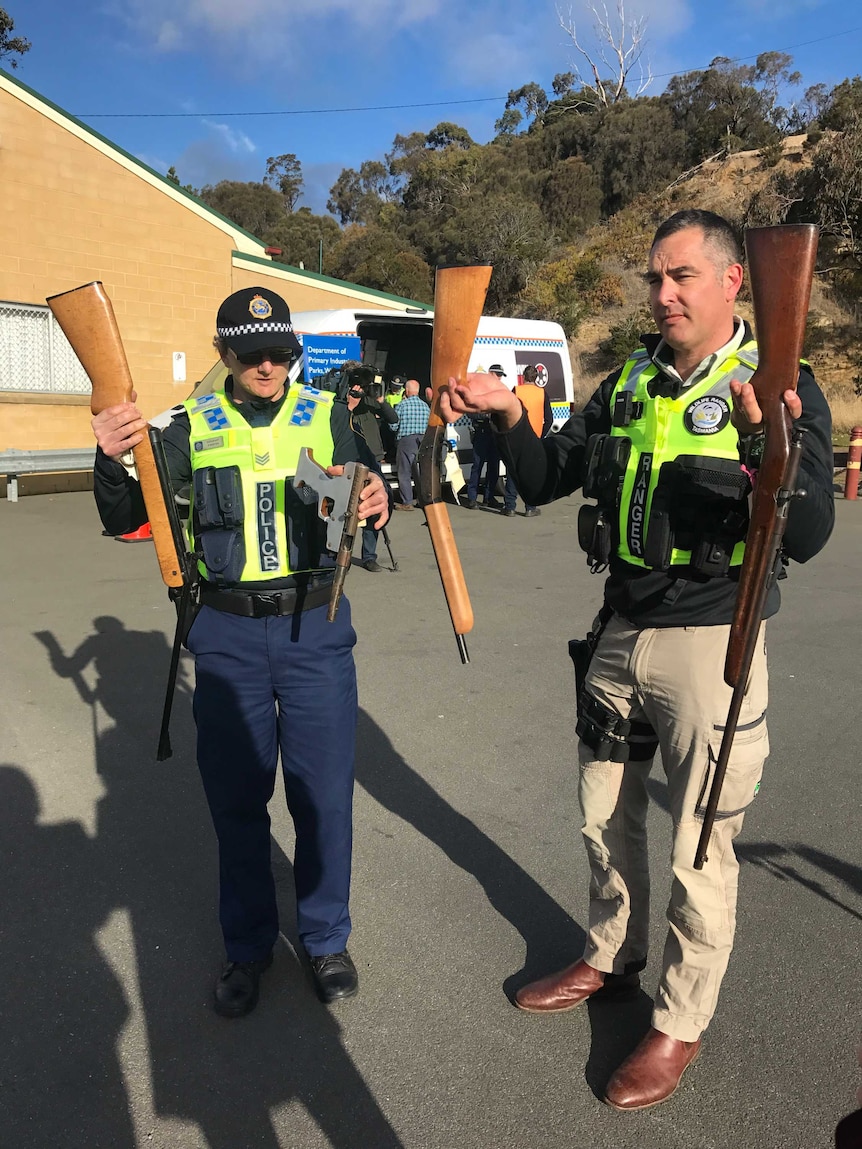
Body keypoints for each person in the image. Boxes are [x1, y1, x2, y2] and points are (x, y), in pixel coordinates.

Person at [440, 210, 834, 1109]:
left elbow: (808, 531)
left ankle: (679, 1021)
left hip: (712, 643)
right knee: (604, 817)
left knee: (702, 840)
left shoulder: (780, 381)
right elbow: (544, 480)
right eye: (655, 279)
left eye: (681, 277)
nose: (661, 295)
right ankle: (612, 955)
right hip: (619, 629)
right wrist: (509, 417)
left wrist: (761, 439)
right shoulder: (627, 385)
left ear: (734, 282)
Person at [90, 285, 391, 1019]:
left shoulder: (328, 415)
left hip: (315, 626)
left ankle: (324, 938)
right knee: (236, 803)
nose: (267, 364)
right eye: (251, 352)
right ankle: (249, 944)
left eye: (280, 351)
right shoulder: (188, 425)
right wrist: (109, 458)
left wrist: (374, 499)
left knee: (323, 797)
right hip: (223, 634)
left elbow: (366, 510)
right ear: (223, 353)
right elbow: (126, 513)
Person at [341, 366, 399, 572]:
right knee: (345, 510)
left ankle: (369, 556)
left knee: (374, 508)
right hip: (348, 461)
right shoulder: (340, 402)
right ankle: (342, 556)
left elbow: (393, 419)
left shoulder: (370, 400)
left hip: (372, 460)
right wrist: (348, 404)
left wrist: (380, 400)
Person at [501, 365, 553, 518]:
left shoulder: (516, 390)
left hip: (517, 435)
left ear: (523, 377)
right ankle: (530, 507)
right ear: (536, 378)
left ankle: (510, 506)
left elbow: (507, 412)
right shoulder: (543, 393)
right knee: (530, 474)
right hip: (534, 438)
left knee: (513, 471)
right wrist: (541, 436)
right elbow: (549, 419)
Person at [464, 363, 506, 510]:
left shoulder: (500, 390)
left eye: (501, 376)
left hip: (494, 432)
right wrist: (484, 414)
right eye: (498, 375)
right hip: (481, 430)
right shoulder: (479, 389)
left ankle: (489, 497)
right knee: (477, 465)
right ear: (490, 374)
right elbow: (469, 410)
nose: (500, 378)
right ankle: (472, 498)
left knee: (494, 466)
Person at [392, 379, 430, 510]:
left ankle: (407, 502)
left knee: (404, 473)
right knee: (420, 472)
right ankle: (423, 500)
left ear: (406, 391)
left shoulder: (402, 405)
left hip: (406, 441)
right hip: (423, 440)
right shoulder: (425, 406)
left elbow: (393, 425)